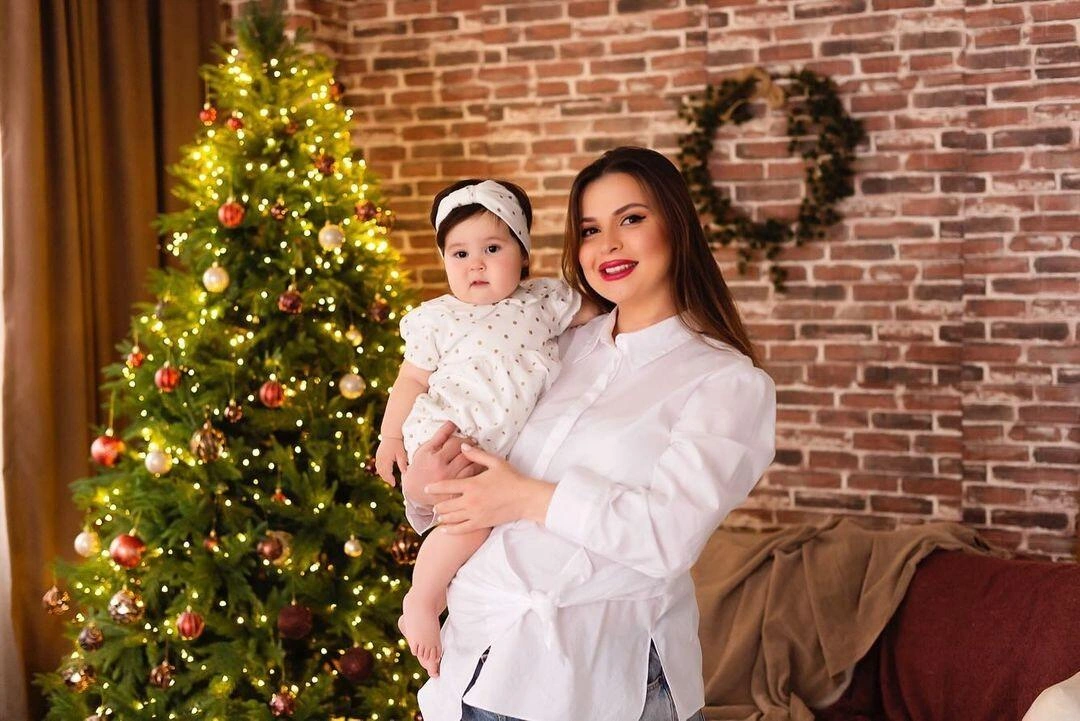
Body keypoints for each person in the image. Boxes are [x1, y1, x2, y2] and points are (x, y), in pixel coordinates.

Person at [400, 146, 777, 721]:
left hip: (595, 679)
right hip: (474, 659)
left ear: (677, 226)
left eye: (631, 219)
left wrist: (526, 498)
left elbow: (668, 537)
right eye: (590, 230)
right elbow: (465, 478)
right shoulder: (550, 345)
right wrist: (422, 482)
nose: (608, 246)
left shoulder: (725, 382)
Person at [375, 178, 599, 676]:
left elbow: (603, 310)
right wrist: (390, 437)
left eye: (492, 249)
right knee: (468, 525)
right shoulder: (438, 319)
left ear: (523, 255)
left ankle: (435, 596)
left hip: (501, 449)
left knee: (477, 527)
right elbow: (410, 379)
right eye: (460, 253)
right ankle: (421, 600)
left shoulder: (543, 301)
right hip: (450, 436)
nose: (475, 264)